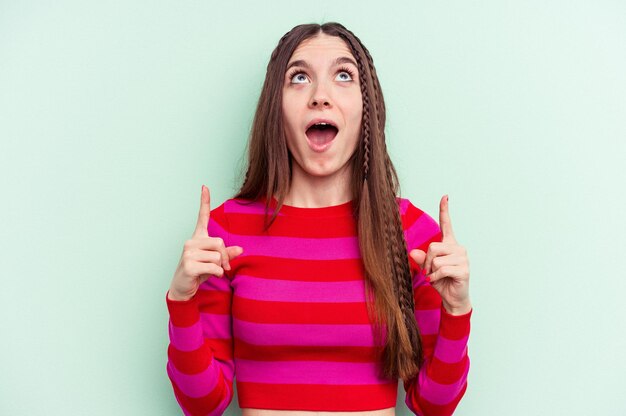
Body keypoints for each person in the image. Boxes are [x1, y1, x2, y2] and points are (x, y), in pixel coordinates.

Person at [166, 22, 472, 416]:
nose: (320, 97)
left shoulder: (412, 234)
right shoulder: (225, 234)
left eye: (343, 75)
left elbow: (434, 405)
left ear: (367, 105)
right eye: (299, 78)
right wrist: (181, 300)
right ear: (276, 107)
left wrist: (457, 310)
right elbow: (202, 403)